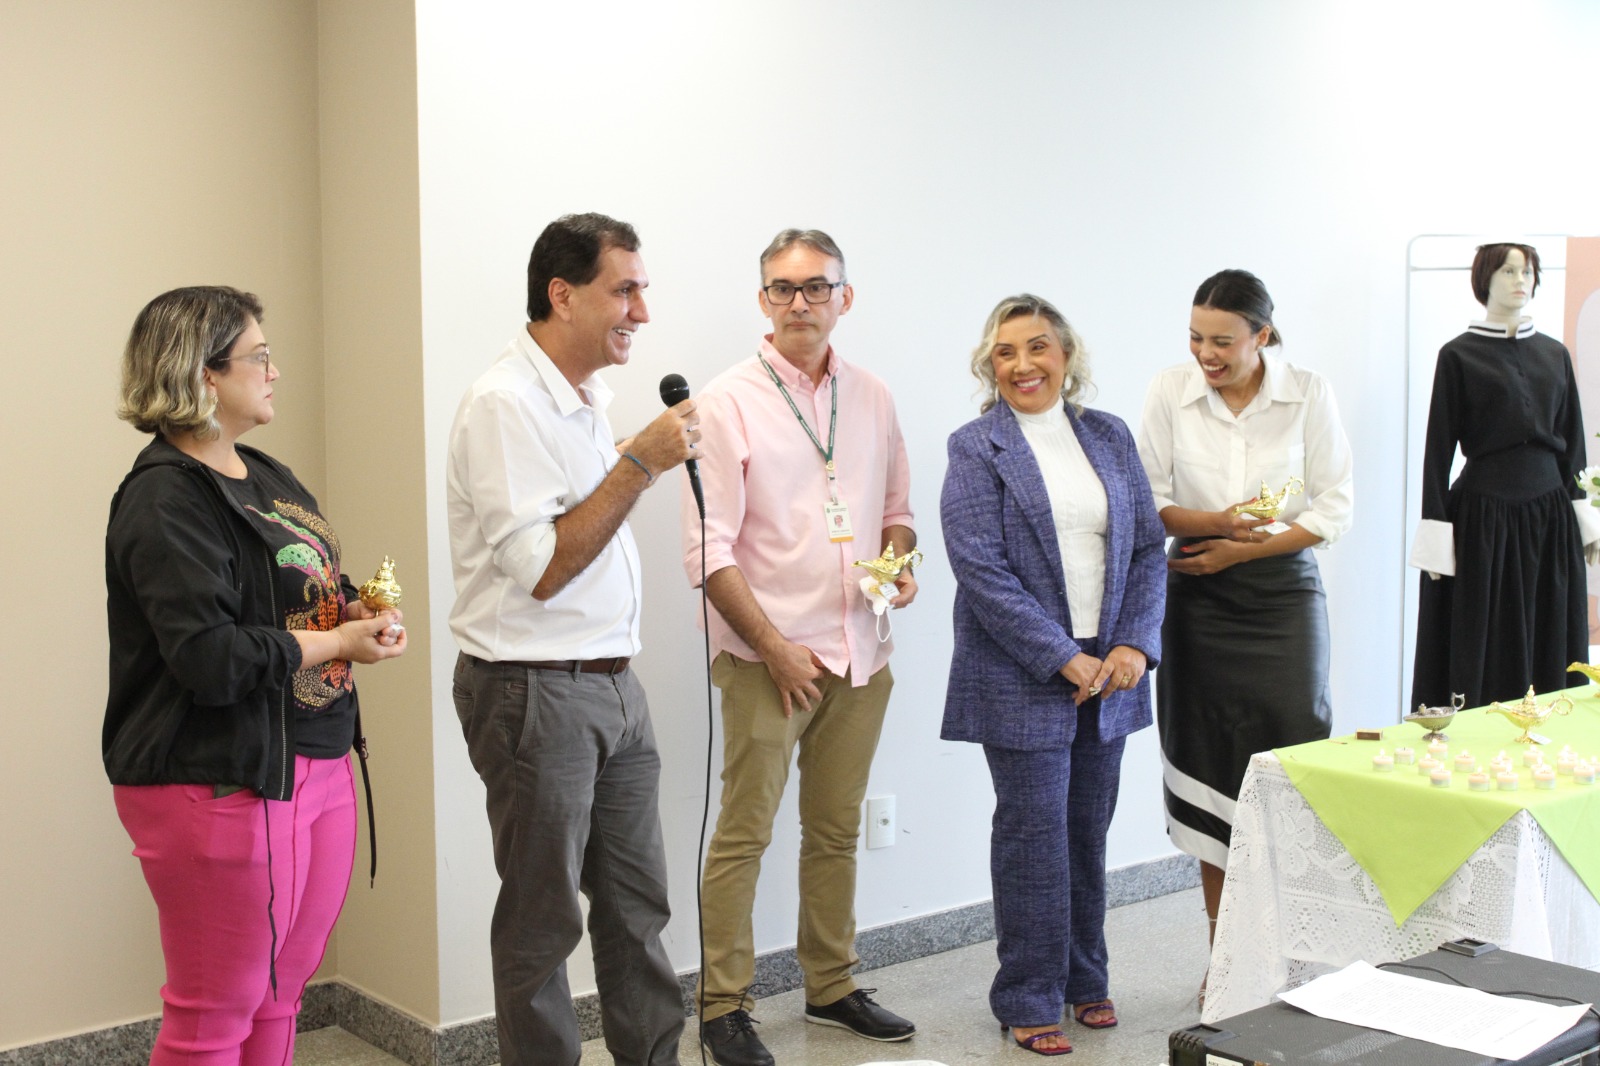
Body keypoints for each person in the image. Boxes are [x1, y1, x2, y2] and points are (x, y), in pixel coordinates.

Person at [104, 286, 408, 1065]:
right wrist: (336, 641)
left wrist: (356, 615)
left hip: (317, 761)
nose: (275, 371)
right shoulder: (164, 498)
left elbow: (299, 595)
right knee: (214, 1014)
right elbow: (210, 658)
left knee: (280, 995)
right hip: (221, 776)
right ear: (203, 374)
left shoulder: (268, 475)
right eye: (259, 356)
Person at [445, 213, 699, 1066]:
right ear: (562, 294)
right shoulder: (503, 403)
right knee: (542, 920)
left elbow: (568, 504)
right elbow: (544, 568)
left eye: (642, 291)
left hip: (614, 685)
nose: (642, 312)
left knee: (637, 908)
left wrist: (625, 454)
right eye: (624, 291)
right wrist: (642, 463)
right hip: (534, 689)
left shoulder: (582, 398)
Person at [683, 228, 916, 1066]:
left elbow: (897, 512)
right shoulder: (727, 401)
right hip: (767, 661)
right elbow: (707, 550)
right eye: (782, 288)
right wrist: (774, 647)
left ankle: (831, 985)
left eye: (817, 287)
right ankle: (722, 1006)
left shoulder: (873, 395)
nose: (799, 302)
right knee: (743, 835)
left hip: (860, 650)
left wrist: (899, 563)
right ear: (763, 300)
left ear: (844, 298)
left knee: (835, 830)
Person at [941, 295, 1165, 1056]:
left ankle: (1084, 979)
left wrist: (1133, 646)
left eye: (1037, 346)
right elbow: (980, 568)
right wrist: (1062, 655)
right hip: (1025, 666)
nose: (1023, 364)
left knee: (1086, 830)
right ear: (990, 365)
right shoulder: (976, 447)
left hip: (1112, 667)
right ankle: (1028, 996)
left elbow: (1147, 548)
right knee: (1034, 835)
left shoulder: (1108, 435)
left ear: (1066, 355)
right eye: (1005, 352)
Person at [1135, 269, 1353, 978]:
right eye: (1196, 337)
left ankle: (1293, 959)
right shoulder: (1170, 391)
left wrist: (1246, 546)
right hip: (1197, 593)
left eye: (1223, 341)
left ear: (1262, 335)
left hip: (1282, 596)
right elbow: (1147, 499)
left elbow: (1334, 506)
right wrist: (1219, 526)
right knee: (1210, 766)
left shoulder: (1308, 392)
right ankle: (1225, 964)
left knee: (1293, 761)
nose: (1207, 353)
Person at [1410, 242, 1598, 710]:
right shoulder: (1458, 355)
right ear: (1485, 279)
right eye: (1509, 271)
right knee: (1485, 629)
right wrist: (1436, 527)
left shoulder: (1554, 353)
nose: (1520, 281)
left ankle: (1549, 727)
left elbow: (1573, 441)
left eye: (1527, 272)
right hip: (1484, 518)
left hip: (1549, 516)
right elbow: (1438, 449)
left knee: (1550, 624)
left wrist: (1585, 519)